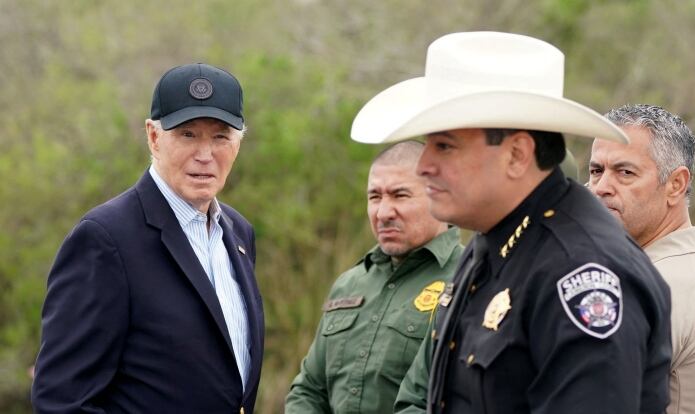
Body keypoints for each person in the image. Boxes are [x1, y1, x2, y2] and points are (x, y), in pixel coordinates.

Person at [351, 31, 672, 413]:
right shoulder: (492, 243)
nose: (424, 165)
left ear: (517, 154)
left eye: (445, 146)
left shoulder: (582, 270)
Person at [31, 63, 264, 413]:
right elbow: (62, 401)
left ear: (238, 143)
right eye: (187, 134)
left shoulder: (239, 232)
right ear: (154, 137)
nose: (205, 154)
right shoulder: (104, 239)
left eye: (220, 136)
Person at [285, 141, 464, 413]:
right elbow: (308, 389)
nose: (383, 213)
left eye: (400, 195)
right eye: (375, 197)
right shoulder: (350, 283)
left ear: (438, 194)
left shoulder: (469, 279)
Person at [588, 103, 695, 414]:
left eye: (625, 172)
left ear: (675, 185)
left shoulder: (659, 283)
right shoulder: (680, 269)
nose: (600, 187)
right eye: (596, 170)